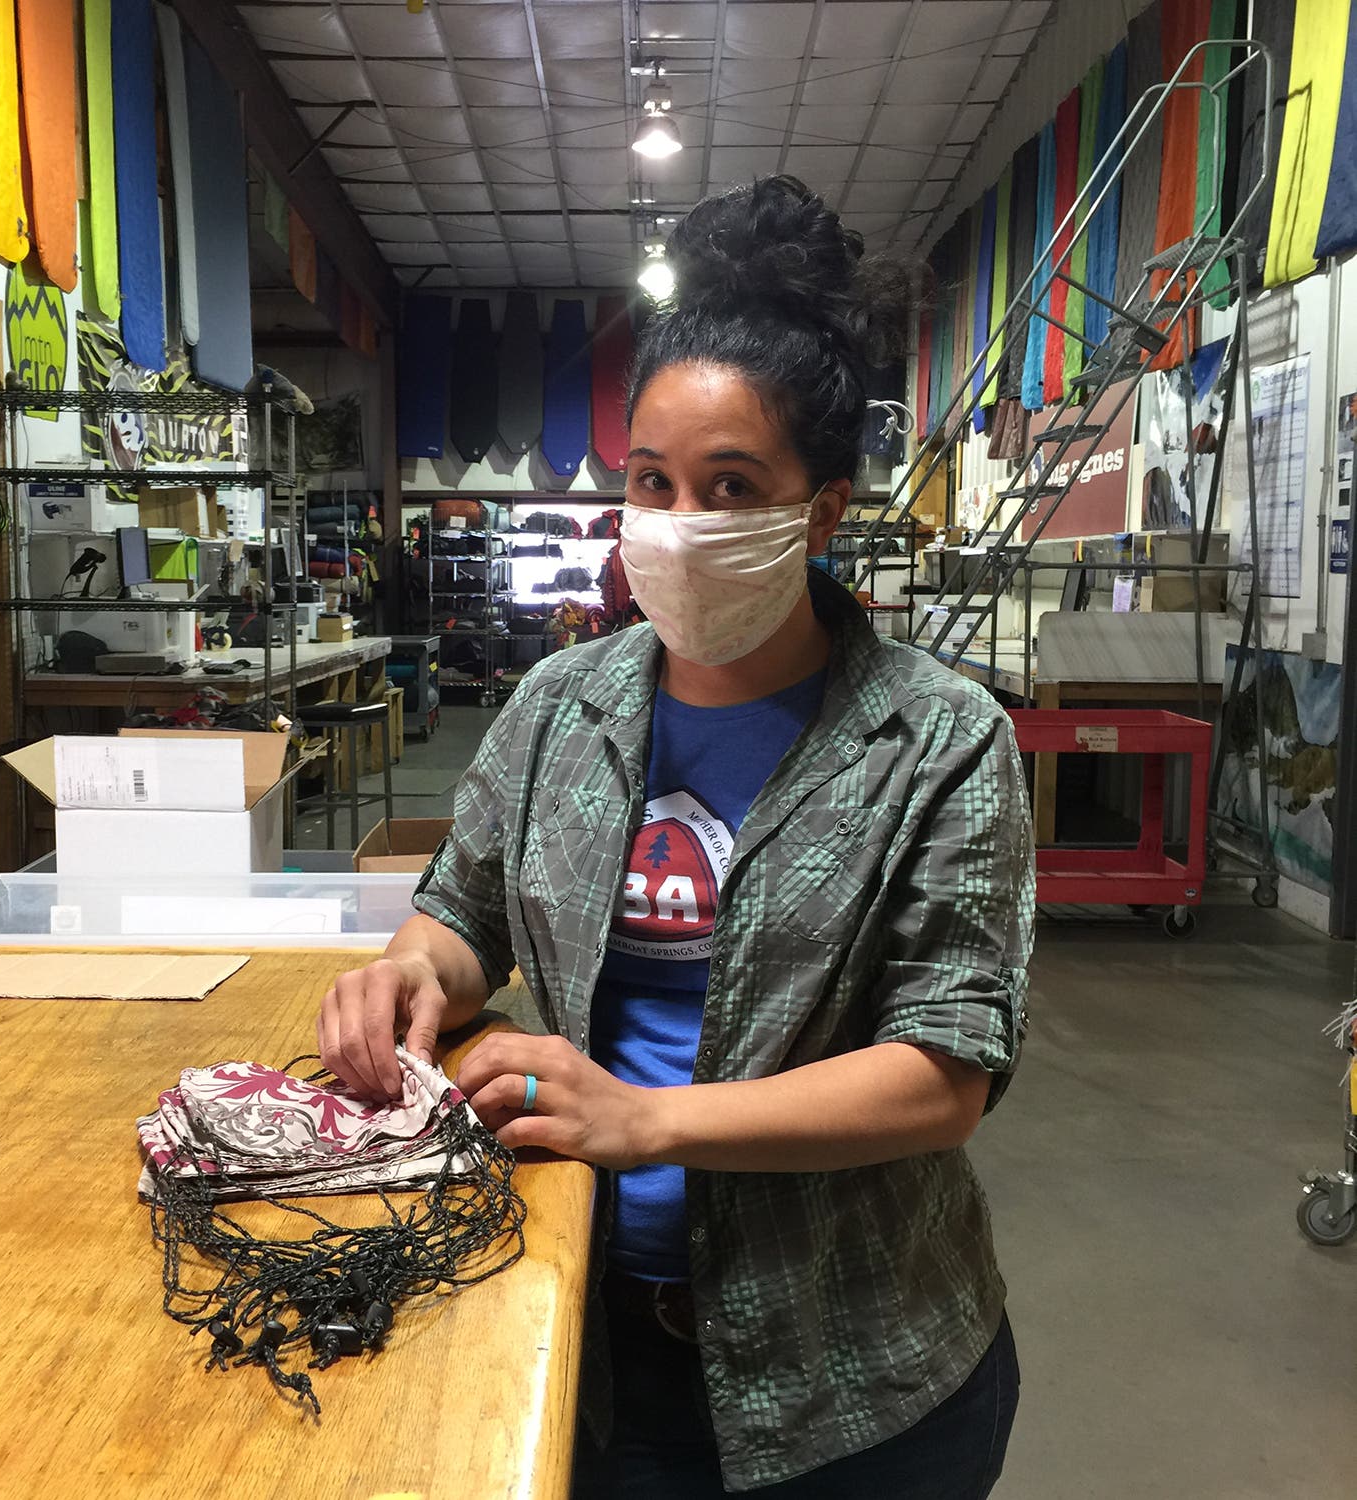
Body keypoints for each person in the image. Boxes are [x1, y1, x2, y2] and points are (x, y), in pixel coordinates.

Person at [318, 176, 1034, 1498]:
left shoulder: (939, 739)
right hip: (579, 1325)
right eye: (652, 480)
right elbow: (466, 911)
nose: (680, 521)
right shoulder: (559, 705)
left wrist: (648, 1120)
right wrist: (412, 971)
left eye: (731, 484)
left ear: (822, 511)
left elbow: (946, 1074)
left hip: (855, 1381)